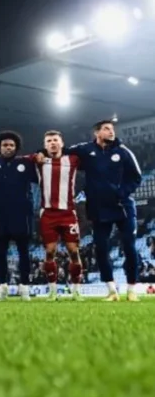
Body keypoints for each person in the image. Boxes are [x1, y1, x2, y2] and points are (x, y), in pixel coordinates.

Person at [63, 120, 142, 302]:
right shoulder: (86, 149)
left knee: (129, 246)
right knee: (100, 248)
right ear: (97, 133)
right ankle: (112, 290)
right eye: (106, 129)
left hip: (123, 206)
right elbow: (63, 152)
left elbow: (136, 176)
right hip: (98, 208)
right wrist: (41, 153)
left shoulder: (123, 151)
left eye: (112, 129)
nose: (111, 132)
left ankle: (132, 290)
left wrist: (121, 193)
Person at [0, 131, 37, 301]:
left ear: (16, 147)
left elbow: (40, 159)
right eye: (5, 145)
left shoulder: (25, 163)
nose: (8, 148)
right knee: (0, 253)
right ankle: (3, 287)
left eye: (12, 145)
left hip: (21, 214)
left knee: (24, 252)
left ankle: (25, 287)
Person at [37, 130, 84, 301]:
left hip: (68, 213)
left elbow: (89, 154)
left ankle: (76, 290)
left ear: (62, 143)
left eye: (55, 140)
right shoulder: (38, 161)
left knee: (73, 251)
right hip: (48, 214)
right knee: (50, 252)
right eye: (49, 141)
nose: (52, 143)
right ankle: (52, 291)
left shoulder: (73, 160)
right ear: (45, 145)